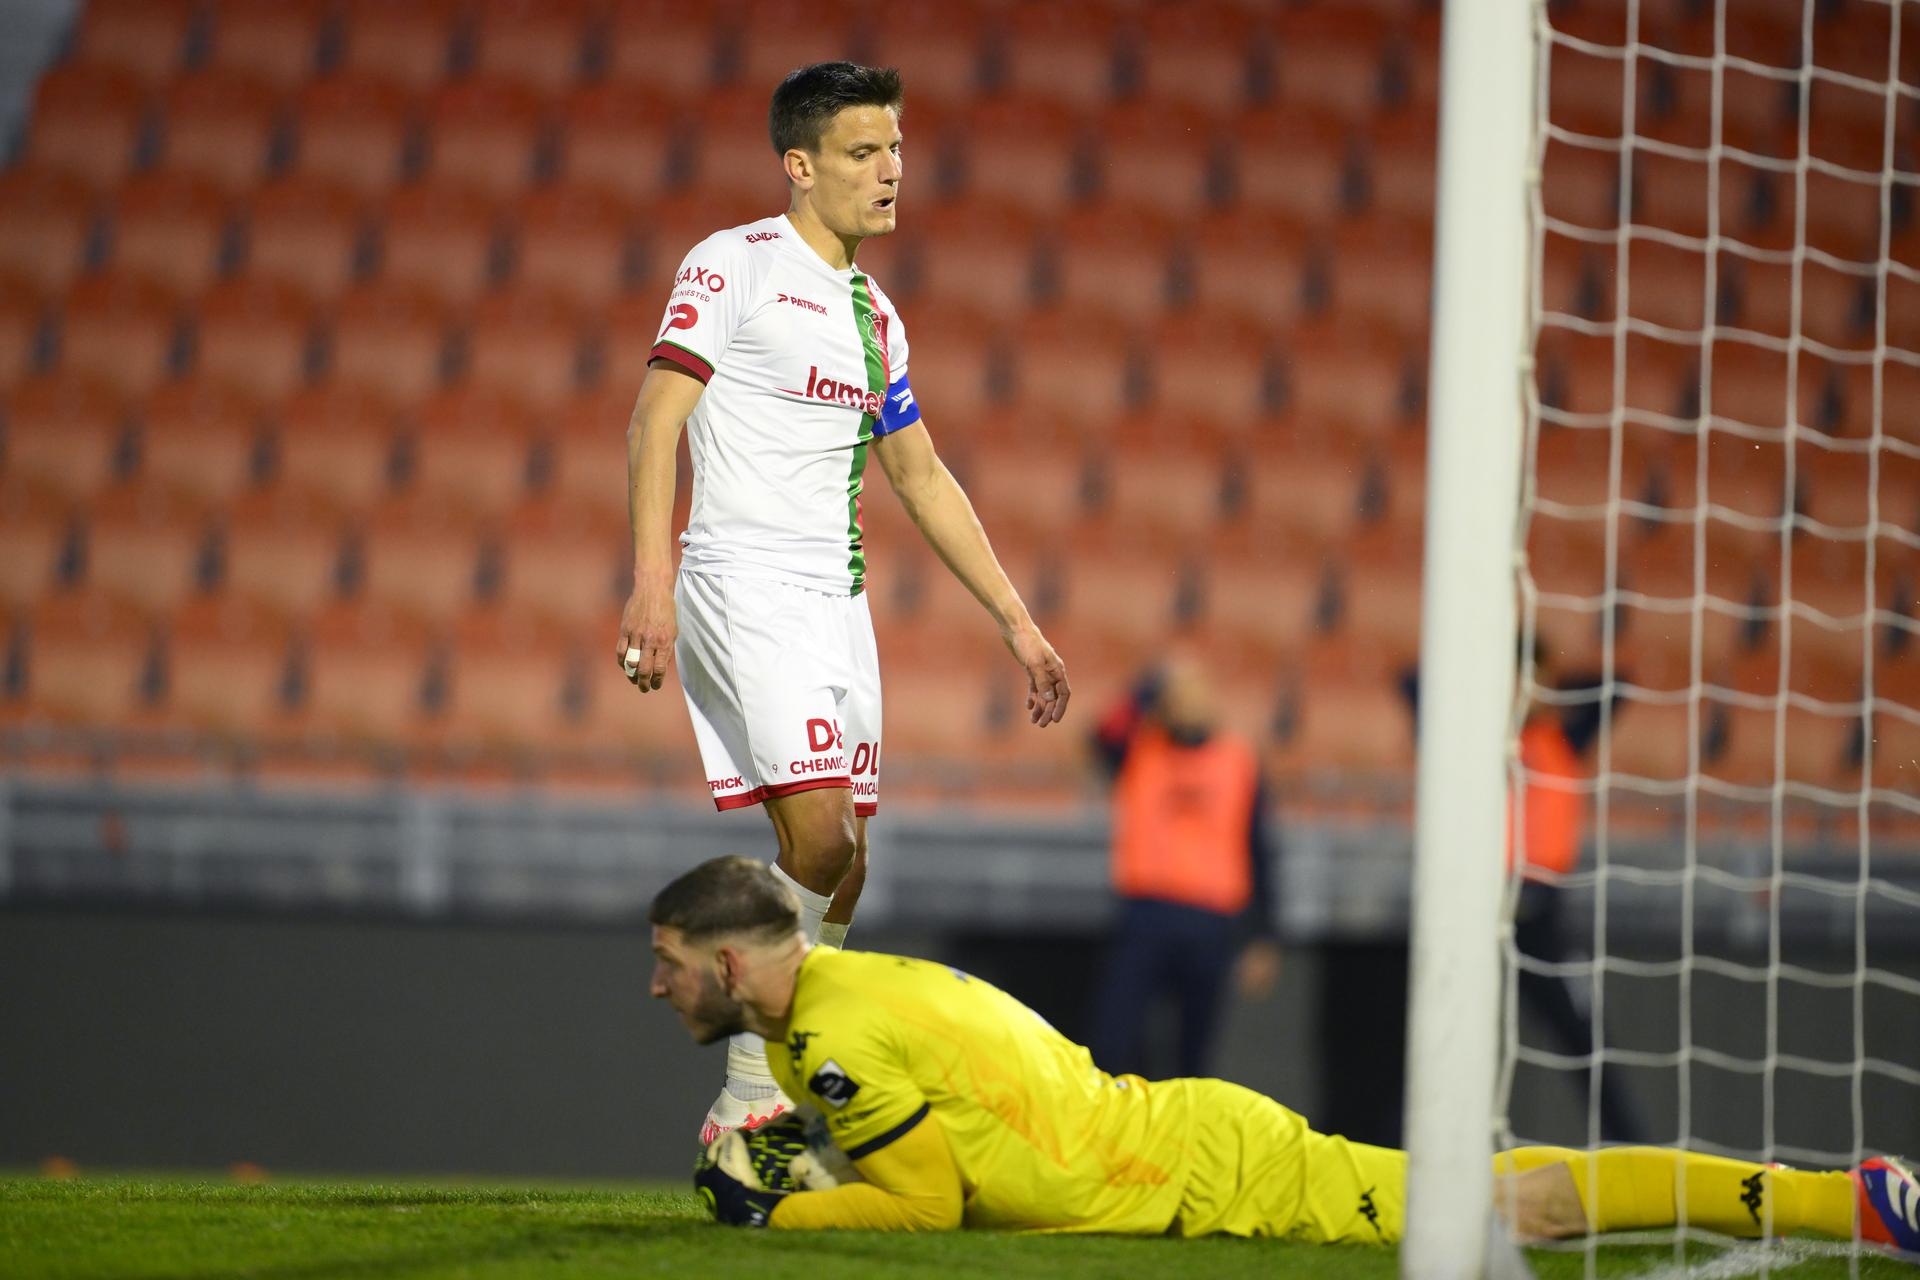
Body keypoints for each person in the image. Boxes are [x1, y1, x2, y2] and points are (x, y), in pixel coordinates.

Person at [649, 857, 1920, 1251]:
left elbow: (928, 1205)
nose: (657, 984)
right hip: (1171, 1141)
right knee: (1511, 1199)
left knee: (1520, 1206)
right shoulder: (844, 994)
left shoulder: (831, 1036)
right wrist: (820, 1165)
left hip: (1208, 1168)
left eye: (669, 960)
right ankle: (1843, 1197)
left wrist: (781, 1214)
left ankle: (1845, 1199)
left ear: (732, 960)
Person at [616, 62, 1071, 1143]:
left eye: (897, 148)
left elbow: (920, 475)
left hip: (837, 603)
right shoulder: (733, 264)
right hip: (740, 578)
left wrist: (1018, 622)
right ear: (800, 165)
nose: (892, 169)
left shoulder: (876, 316)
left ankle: (769, 1084)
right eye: (865, 152)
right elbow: (654, 419)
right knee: (817, 840)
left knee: (849, 863)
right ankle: (748, 1087)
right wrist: (650, 582)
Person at [1088, 653, 1282, 1078]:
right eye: (1180, 695)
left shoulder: (1237, 761)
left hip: (1211, 921)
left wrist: (1262, 935)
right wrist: (1151, 684)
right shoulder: (1140, 749)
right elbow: (1102, 732)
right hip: (1146, 914)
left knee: (1194, 1052)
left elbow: (1260, 850)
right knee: (1115, 1041)